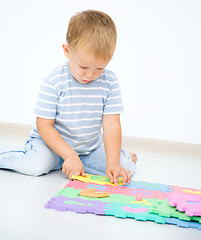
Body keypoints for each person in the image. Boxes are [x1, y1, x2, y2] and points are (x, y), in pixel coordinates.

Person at [0, 10, 137, 185]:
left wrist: (114, 163)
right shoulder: (54, 81)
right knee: (35, 165)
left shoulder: (109, 82)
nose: (91, 74)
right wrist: (69, 155)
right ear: (67, 50)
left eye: (99, 68)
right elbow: (44, 126)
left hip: (88, 150)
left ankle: (123, 155)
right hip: (49, 147)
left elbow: (111, 124)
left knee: (124, 168)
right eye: (83, 66)